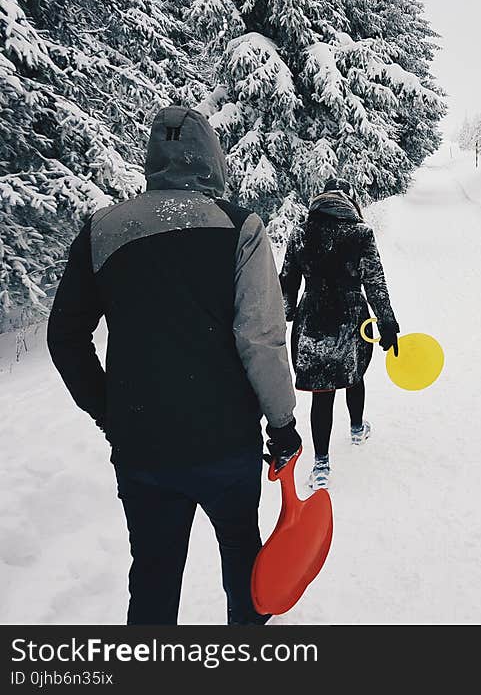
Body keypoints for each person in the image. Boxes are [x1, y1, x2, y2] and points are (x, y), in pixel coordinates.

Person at [47, 106, 302, 625]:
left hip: (142, 448)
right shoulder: (240, 227)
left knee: (154, 579)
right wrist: (283, 424)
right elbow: (259, 337)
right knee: (245, 571)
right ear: (212, 160)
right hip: (226, 447)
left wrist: (110, 411)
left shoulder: (103, 229)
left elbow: (64, 336)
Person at [280, 178, 399, 490]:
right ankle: (358, 429)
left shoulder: (300, 233)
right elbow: (374, 280)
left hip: (314, 320)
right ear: (351, 202)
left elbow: (287, 284)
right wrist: (386, 322)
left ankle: (321, 465)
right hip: (353, 317)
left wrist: (284, 317)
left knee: (322, 392)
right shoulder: (360, 233)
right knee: (355, 374)